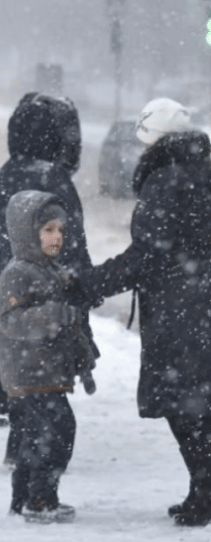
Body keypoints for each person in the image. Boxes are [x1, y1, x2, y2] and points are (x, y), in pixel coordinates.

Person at [88, 98, 211, 527]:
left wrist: (91, 284)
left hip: (187, 307)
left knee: (185, 403)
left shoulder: (165, 181)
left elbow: (148, 255)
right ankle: (210, 487)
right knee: (201, 402)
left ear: (153, 142)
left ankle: (209, 490)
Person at [0, 93, 97, 483]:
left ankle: (22, 456)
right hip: (44, 288)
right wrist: (83, 286)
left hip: (11, 286)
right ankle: (35, 475)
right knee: (42, 379)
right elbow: (71, 239)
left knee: (19, 367)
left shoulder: (5, 173)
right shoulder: (53, 180)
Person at [0, 190, 96, 523]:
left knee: (38, 437)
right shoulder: (17, 273)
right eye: (48, 229)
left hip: (48, 373)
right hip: (28, 374)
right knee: (54, 434)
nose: (57, 237)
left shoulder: (49, 270)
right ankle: (39, 499)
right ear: (28, 232)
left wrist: (83, 355)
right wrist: (52, 314)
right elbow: (9, 321)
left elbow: (67, 327)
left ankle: (25, 498)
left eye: (61, 230)